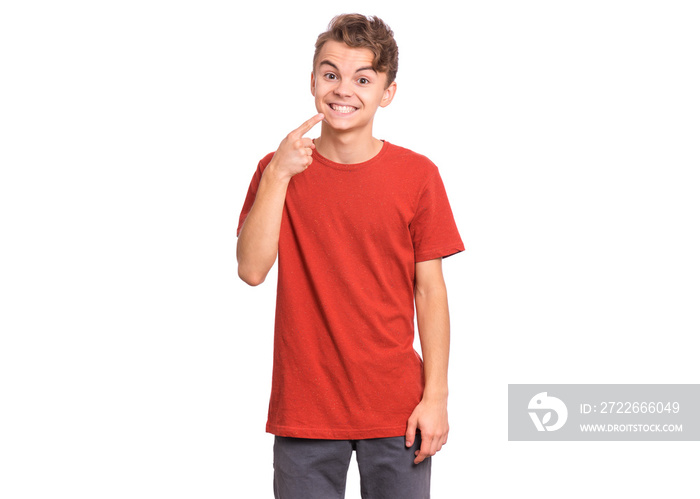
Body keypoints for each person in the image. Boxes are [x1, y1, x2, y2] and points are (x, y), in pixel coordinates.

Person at [236, 13, 464, 499]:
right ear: (313, 80)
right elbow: (252, 270)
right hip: (306, 407)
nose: (344, 89)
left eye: (363, 78)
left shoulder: (417, 175)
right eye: (331, 73)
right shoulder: (276, 168)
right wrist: (278, 175)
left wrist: (437, 397)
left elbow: (430, 291)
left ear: (388, 92)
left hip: (397, 408)